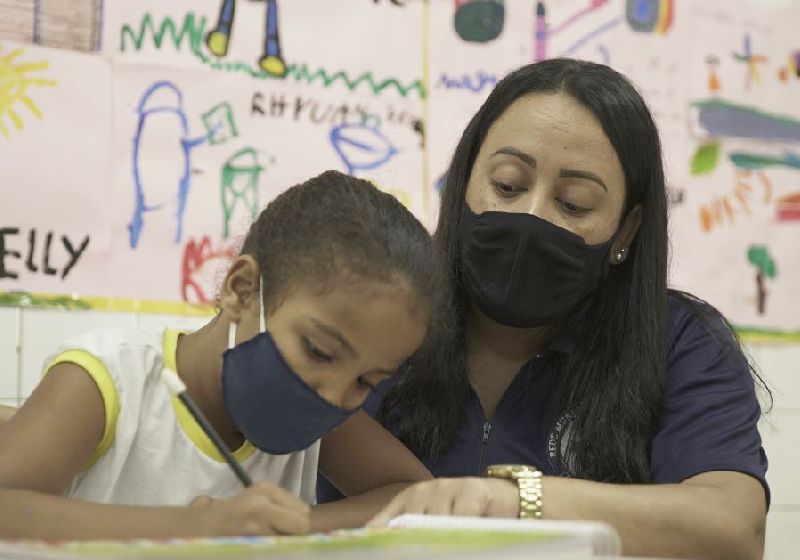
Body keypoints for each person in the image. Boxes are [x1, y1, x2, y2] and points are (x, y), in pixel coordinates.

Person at [319, 59, 770, 560]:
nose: (531, 217)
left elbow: (734, 528)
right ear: (462, 182)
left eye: (574, 204)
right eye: (508, 185)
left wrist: (517, 499)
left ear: (625, 232)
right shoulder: (374, 312)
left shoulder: (681, 342)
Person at [0, 171, 438, 539]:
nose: (333, 395)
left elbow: (418, 497)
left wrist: (297, 524)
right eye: (318, 351)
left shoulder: (321, 415)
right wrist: (197, 527)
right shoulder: (110, 379)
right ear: (242, 289)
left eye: (366, 382)